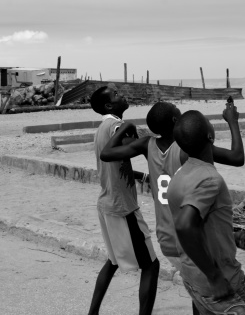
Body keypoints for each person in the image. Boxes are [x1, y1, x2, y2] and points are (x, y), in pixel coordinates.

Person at [100, 98, 245, 273]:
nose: (178, 109)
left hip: (166, 237)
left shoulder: (146, 144)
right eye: (176, 108)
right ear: (175, 120)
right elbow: (237, 157)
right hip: (191, 237)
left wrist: (126, 127)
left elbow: (106, 153)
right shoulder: (188, 147)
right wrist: (233, 121)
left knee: (197, 287)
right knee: (210, 289)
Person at [167, 110, 245, 315]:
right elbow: (184, 225)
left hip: (192, 278)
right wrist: (214, 276)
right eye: (208, 121)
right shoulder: (210, 180)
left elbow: (199, 227)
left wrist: (229, 237)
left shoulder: (180, 176)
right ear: (210, 135)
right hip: (224, 281)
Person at [87, 83, 160, 315]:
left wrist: (140, 175)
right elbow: (134, 148)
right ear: (109, 104)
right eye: (117, 94)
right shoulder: (119, 125)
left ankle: (92, 313)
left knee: (114, 261)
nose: (123, 95)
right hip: (123, 207)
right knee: (151, 265)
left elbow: (114, 165)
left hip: (105, 202)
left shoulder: (101, 128)